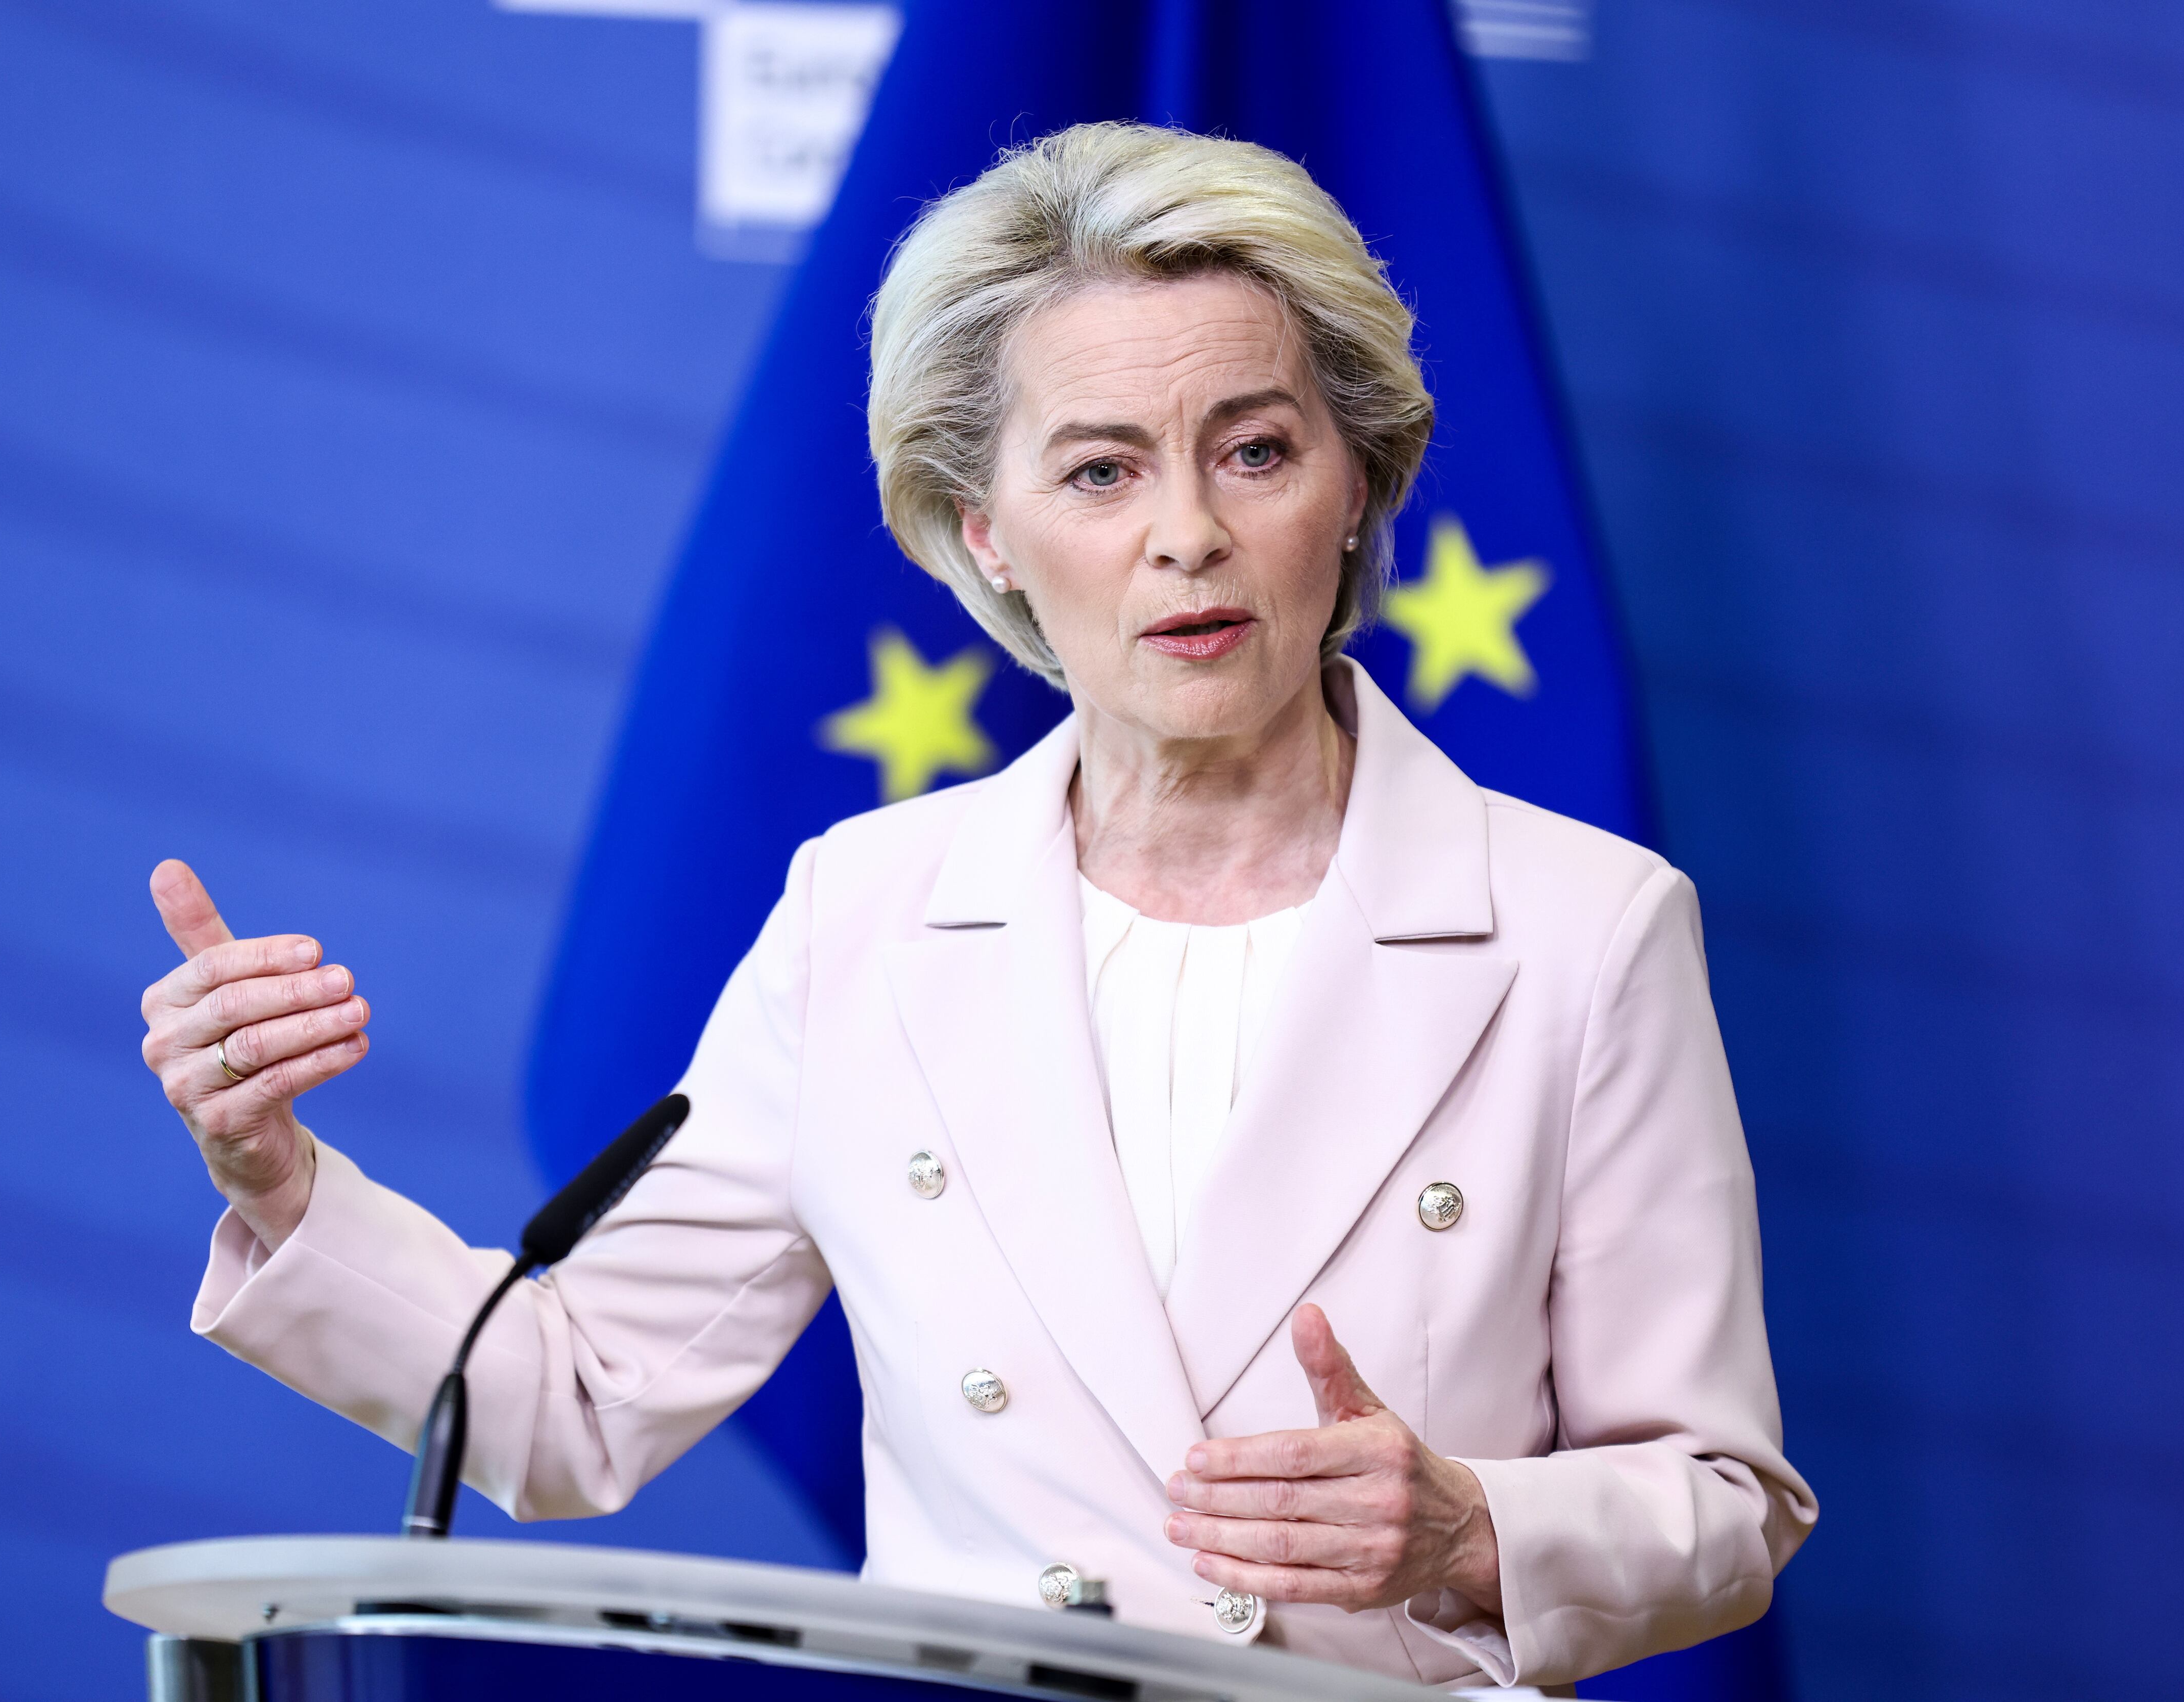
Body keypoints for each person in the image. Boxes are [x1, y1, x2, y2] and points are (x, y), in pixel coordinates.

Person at [137, 122, 1814, 1690]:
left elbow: (1726, 1502)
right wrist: (277, 1180)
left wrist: (1468, 1528)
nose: (1190, 537)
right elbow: (572, 1402)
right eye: (1099, 473)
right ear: (981, 532)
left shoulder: (1584, 926)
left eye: (1256, 451)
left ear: (1358, 482)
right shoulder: (868, 912)